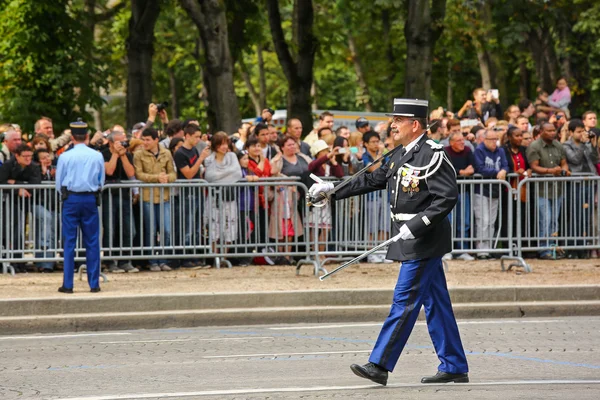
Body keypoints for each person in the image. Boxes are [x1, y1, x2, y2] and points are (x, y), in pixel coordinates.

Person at [310, 98, 468, 386]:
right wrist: (332, 189)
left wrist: (417, 226)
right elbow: (371, 181)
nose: (392, 124)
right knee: (436, 303)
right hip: (409, 238)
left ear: (415, 124)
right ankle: (454, 364)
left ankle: (380, 364)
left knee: (404, 300)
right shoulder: (399, 154)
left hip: (423, 240)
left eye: (398, 120)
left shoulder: (432, 155)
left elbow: (446, 198)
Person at [54, 120, 105, 293]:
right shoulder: (97, 155)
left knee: (69, 242)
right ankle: (94, 283)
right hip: (90, 198)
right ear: (87, 136)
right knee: (92, 241)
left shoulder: (65, 156)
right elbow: (101, 181)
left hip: (71, 199)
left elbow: (59, 182)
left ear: (72, 137)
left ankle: (68, 284)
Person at [134, 127, 177, 271]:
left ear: (156, 140)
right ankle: (152, 260)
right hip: (147, 197)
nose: (145, 142)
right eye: (143, 140)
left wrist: (167, 178)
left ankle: (163, 259)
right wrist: (156, 178)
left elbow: (173, 173)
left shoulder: (167, 153)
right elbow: (139, 174)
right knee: (150, 231)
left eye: (148, 140)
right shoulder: (139, 154)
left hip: (164, 196)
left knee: (166, 229)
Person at [526, 122, 571, 259]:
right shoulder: (534, 146)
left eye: (554, 131)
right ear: (541, 132)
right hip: (542, 190)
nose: (552, 133)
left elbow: (563, 162)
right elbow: (534, 166)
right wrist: (550, 171)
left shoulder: (558, 145)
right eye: (549, 131)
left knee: (554, 220)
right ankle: (544, 249)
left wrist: (564, 169)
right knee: (544, 219)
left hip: (557, 189)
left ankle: (553, 247)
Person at [101, 130, 138, 273]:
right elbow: (109, 171)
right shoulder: (103, 154)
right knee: (110, 229)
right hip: (108, 195)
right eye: (119, 141)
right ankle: (110, 261)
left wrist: (122, 155)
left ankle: (125, 261)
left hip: (124, 195)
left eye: (124, 141)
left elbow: (131, 174)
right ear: (110, 142)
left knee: (129, 229)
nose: (123, 144)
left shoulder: (127, 155)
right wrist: (115, 154)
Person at [444, 132, 476, 260]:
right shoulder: (445, 152)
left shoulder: (468, 151)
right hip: (448, 193)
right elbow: (446, 168)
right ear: (451, 142)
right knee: (448, 222)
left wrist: (467, 171)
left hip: (463, 192)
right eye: (459, 141)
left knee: (464, 222)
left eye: (463, 140)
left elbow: (473, 167)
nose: (463, 143)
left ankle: (463, 249)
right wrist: (461, 172)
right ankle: (447, 249)